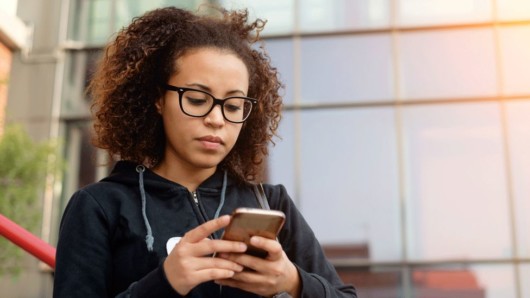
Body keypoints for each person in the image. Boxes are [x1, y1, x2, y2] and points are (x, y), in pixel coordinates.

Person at [53, 5, 357, 298]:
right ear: (158, 99)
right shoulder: (100, 207)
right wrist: (165, 282)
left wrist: (293, 281)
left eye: (234, 106)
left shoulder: (270, 203)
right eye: (197, 99)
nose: (217, 118)